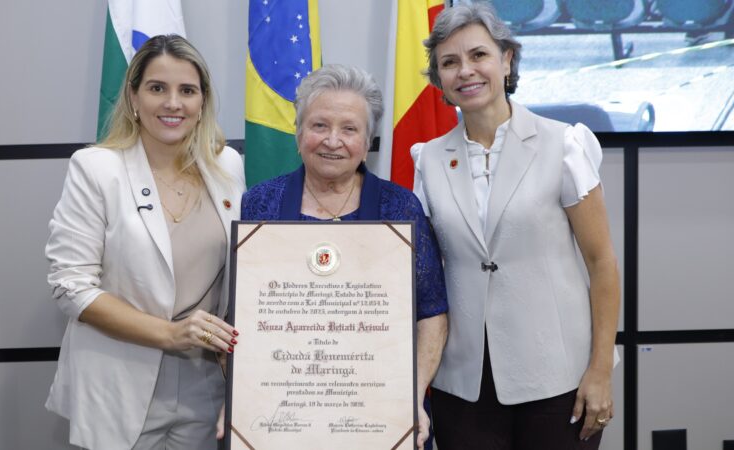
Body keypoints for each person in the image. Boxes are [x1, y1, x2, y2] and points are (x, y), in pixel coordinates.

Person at [411, 3, 621, 449]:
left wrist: (601, 370)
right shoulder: (427, 159)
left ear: (507, 60)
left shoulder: (563, 143)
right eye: (449, 63)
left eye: (478, 55)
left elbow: (602, 263)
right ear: (439, 81)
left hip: (557, 378)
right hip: (462, 384)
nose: (465, 71)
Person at [44, 35, 245, 450]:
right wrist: (170, 335)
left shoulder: (227, 165)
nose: (173, 103)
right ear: (134, 98)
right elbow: (71, 286)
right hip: (120, 380)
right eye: (157, 88)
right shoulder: (97, 169)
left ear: (202, 102)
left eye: (187, 91)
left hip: (208, 385)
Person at [241, 64, 448, 450]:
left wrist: (411, 396)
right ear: (299, 132)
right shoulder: (259, 203)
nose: (332, 140)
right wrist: (240, 401)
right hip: (281, 416)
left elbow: (432, 312)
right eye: (319, 125)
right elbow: (243, 318)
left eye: (349, 129)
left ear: (368, 139)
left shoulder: (400, 206)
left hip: (379, 413)